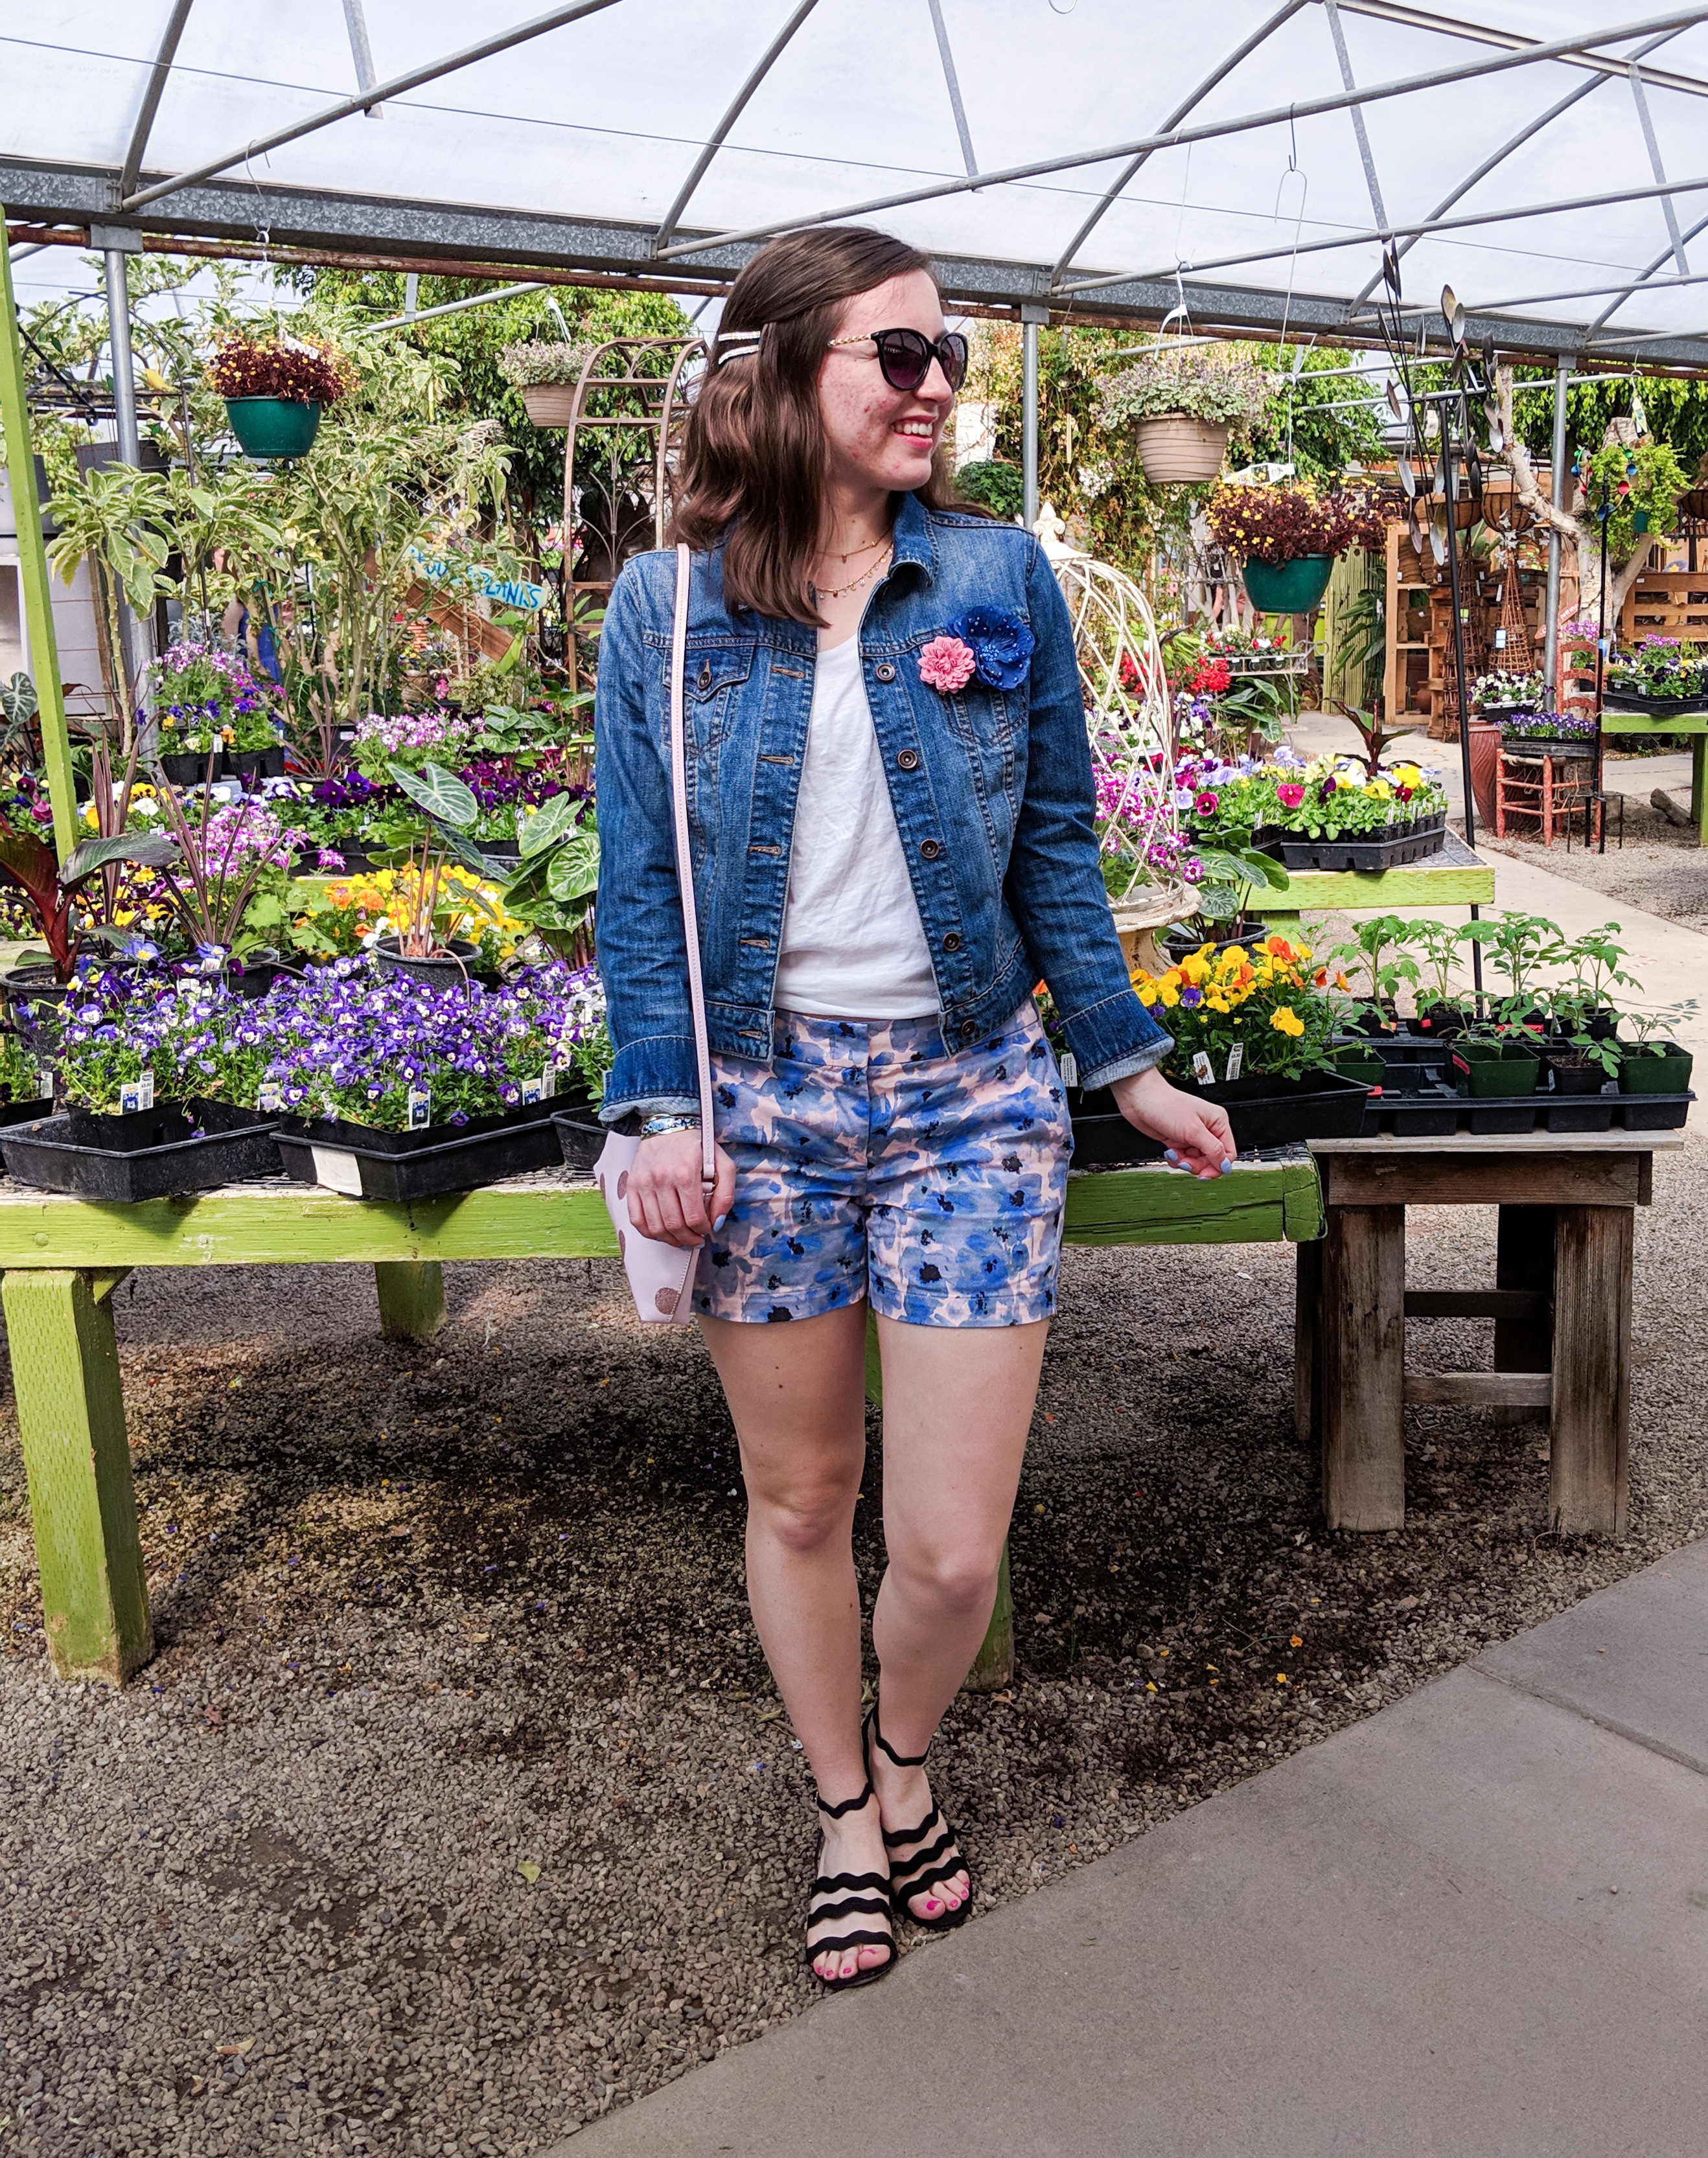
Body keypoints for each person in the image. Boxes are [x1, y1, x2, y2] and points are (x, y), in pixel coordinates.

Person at [593, 225, 1234, 1990]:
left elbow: (1053, 848)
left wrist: (1125, 1060)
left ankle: (905, 1752)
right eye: (897, 352)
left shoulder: (994, 580)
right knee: (801, 1501)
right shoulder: (666, 608)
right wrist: (654, 1107)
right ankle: (842, 1813)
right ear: (789, 371)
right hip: (766, 1102)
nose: (935, 381)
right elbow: (638, 882)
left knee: (949, 1546)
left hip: (966, 1093)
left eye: (945, 352)